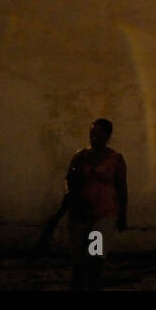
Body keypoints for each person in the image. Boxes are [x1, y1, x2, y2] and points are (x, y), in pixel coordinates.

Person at [65, 118, 127, 290]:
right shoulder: (80, 156)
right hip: (80, 212)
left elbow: (121, 187)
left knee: (95, 254)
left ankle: (91, 284)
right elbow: (68, 179)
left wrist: (123, 214)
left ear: (108, 135)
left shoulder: (115, 159)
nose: (94, 136)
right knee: (78, 258)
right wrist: (70, 196)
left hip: (104, 213)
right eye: (92, 132)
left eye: (99, 133)